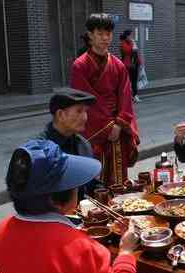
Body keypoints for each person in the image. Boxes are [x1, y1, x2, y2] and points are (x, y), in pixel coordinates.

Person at [0, 140, 139, 273]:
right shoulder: (83, 250)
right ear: (55, 200)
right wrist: (126, 251)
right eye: (73, 183)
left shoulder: (3, 229)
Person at [71, 13, 139, 187]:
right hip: (94, 128)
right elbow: (83, 100)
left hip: (117, 127)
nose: (105, 38)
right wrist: (109, 126)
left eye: (108, 33)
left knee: (117, 182)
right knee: (94, 180)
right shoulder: (79, 66)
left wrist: (119, 123)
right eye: (100, 33)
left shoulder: (119, 66)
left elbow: (126, 97)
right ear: (90, 35)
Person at [39, 89, 103, 200]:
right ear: (60, 115)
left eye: (86, 111)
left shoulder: (83, 145)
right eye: (79, 111)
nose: (85, 117)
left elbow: (91, 184)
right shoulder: (39, 149)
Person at [120, 30, 141, 103]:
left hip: (135, 64)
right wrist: (133, 45)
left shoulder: (132, 43)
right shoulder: (123, 43)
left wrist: (140, 62)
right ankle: (128, 97)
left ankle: (135, 95)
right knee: (127, 81)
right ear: (127, 36)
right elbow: (127, 51)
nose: (132, 37)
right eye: (130, 35)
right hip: (127, 65)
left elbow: (136, 53)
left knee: (134, 81)